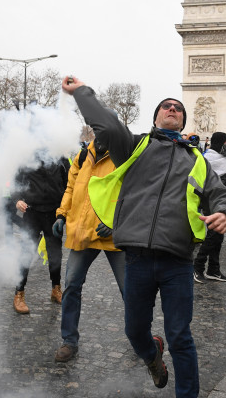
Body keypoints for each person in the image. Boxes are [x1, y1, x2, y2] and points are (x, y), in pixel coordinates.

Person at [64, 76, 226, 398]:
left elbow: (222, 195)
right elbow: (109, 124)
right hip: (138, 258)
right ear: (156, 117)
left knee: (180, 335)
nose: (172, 109)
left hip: (178, 261)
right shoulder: (134, 146)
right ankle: (151, 354)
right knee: (134, 331)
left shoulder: (197, 160)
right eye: (166, 106)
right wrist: (82, 93)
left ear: (183, 120)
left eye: (178, 108)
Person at [52, 137, 125, 362]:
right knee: (72, 286)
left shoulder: (125, 153)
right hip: (83, 232)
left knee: (130, 292)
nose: (101, 131)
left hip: (113, 235)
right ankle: (69, 341)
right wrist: (62, 214)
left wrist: (115, 220)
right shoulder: (83, 155)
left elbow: (135, 193)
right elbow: (71, 188)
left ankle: (141, 338)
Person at [10, 157, 68, 314]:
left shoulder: (61, 158)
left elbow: (69, 185)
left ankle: (56, 289)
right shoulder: (26, 155)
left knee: (55, 253)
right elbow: (15, 183)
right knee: (26, 253)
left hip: (54, 213)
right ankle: (19, 293)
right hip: (32, 212)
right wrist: (17, 200)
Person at [193, 132, 226, 283]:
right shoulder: (206, 158)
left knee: (218, 235)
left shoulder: (225, 158)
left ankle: (213, 269)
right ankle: (197, 266)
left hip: (221, 200)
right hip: (210, 199)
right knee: (212, 235)